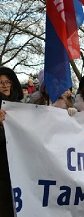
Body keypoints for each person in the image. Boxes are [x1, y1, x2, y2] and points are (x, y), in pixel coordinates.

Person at [0, 67, 23, 217]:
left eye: (8, 81)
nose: (5, 85)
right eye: (1, 82)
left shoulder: (23, 106)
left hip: (19, 166)